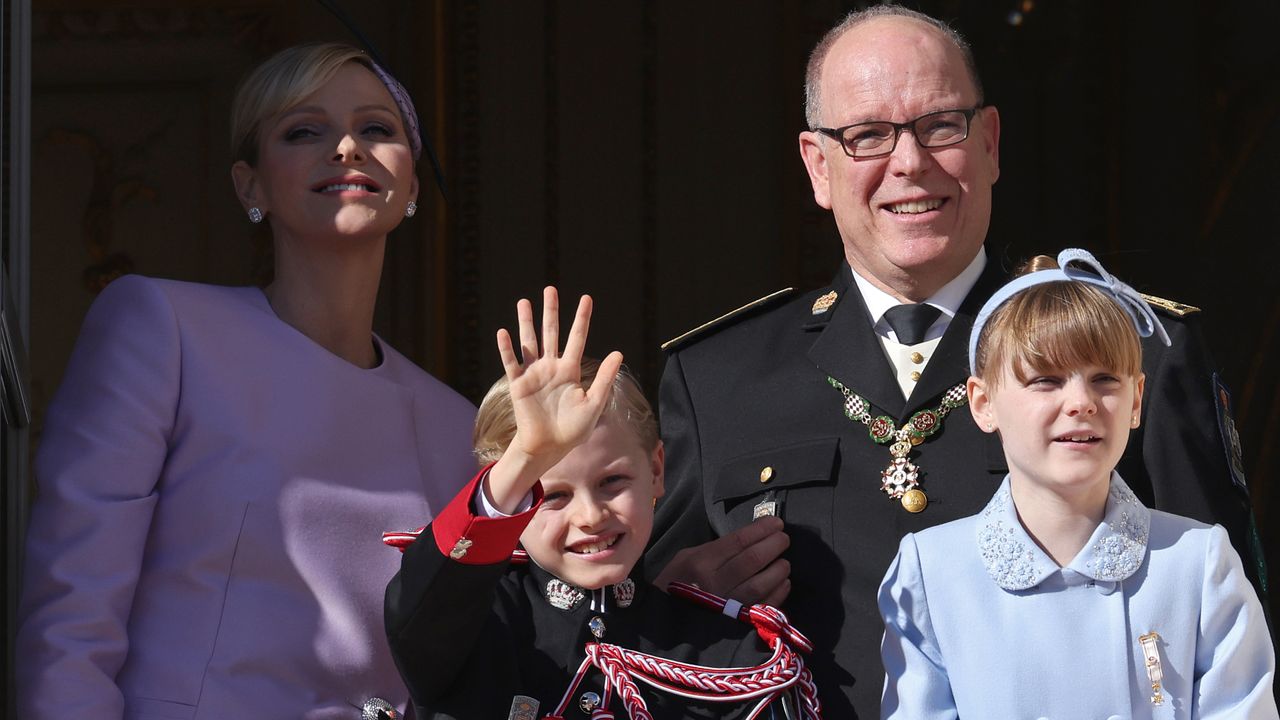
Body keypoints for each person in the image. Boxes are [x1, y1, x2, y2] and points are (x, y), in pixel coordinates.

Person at [645, 6, 1264, 717]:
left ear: (991, 143)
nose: (909, 162)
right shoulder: (719, 379)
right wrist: (670, 598)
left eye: (941, 126)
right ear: (818, 167)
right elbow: (623, 648)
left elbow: (1226, 639)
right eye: (868, 135)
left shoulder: (1132, 348)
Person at [15, 43, 477, 718]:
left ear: (410, 186)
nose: (347, 147)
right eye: (303, 131)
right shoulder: (164, 327)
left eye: (377, 128)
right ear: (249, 185)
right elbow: (72, 607)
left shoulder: (456, 425)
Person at [383, 287, 821, 720]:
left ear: (656, 470)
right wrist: (524, 458)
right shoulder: (481, 626)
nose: (591, 516)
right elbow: (420, 612)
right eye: (552, 495)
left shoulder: (726, 653)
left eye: (612, 481)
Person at [878, 249, 1276, 718]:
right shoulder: (932, 571)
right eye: (1045, 380)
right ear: (983, 403)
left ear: (1136, 399)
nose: (1081, 402)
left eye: (1105, 379)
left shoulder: (1198, 564)